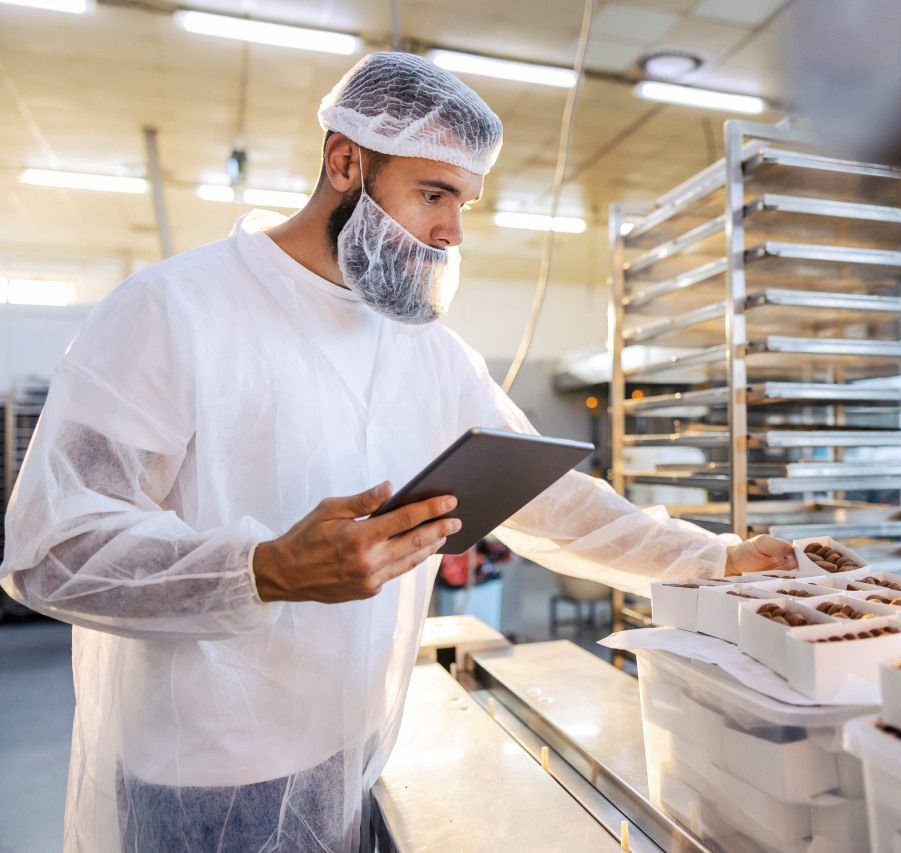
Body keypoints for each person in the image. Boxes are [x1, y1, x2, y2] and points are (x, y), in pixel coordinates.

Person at [0, 52, 796, 852]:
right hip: (204, 780)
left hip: (351, 755)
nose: (452, 230)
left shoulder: (429, 355)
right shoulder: (175, 311)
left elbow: (551, 501)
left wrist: (715, 558)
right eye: (434, 193)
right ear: (346, 161)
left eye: (465, 202)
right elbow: (53, 547)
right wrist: (266, 568)